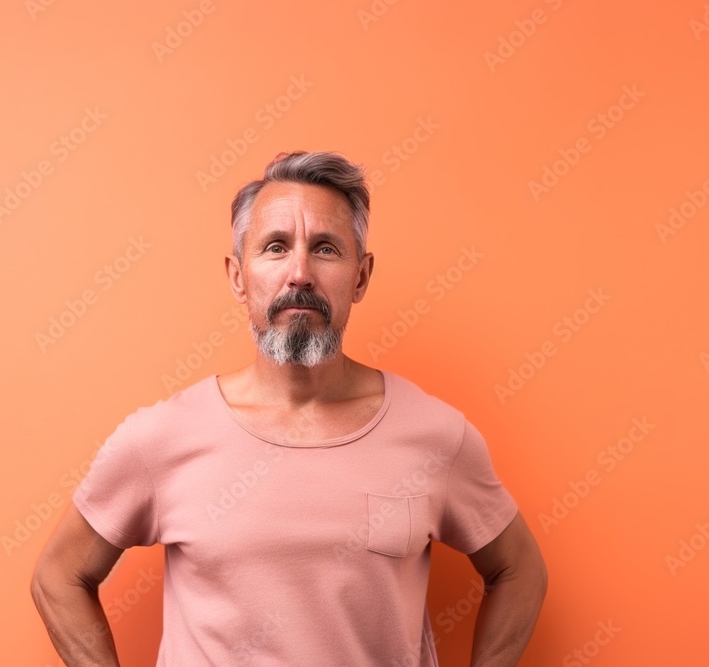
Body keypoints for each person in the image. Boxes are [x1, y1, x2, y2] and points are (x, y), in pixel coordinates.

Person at [31, 151, 548, 666]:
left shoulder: (435, 436)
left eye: (325, 249)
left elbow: (521, 570)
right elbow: (58, 576)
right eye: (276, 247)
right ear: (238, 276)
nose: (299, 273)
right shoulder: (162, 438)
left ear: (361, 277)